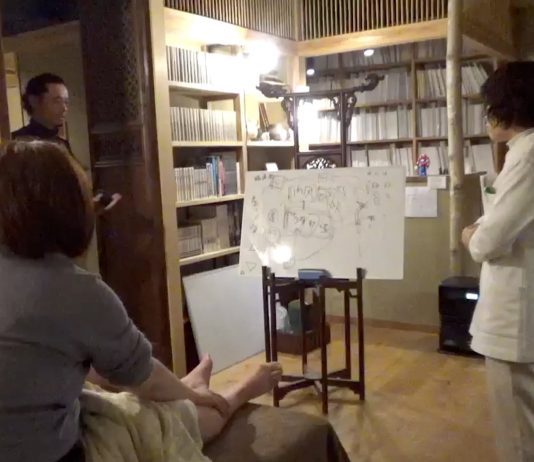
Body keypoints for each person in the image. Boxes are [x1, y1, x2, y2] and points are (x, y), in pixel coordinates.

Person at [0, 139, 283, 462]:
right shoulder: (77, 291)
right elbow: (141, 377)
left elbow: (64, 364)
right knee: (169, 420)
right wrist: (192, 397)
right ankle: (234, 394)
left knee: (114, 387)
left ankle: (186, 386)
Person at [462, 61, 534, 462]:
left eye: (491, 107)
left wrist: (471, 236)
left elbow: (489, 240)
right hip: (519, 310)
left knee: (518, 434)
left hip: (515, 316)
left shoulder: (528, 156)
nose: (487, 116)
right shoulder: (521, 153)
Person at [12, 73, 120, 212]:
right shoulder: (17, 143)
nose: (64, 108)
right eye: (57, 101)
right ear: (34, 101)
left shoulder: (61, 143)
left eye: (66, 102)